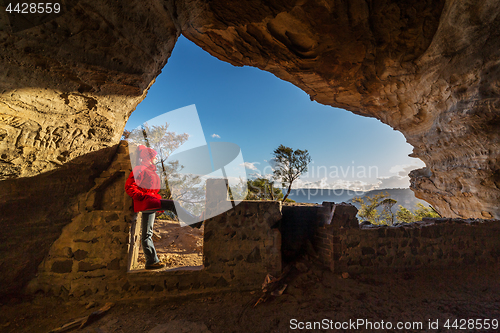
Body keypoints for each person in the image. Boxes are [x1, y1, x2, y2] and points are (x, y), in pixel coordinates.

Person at [125, 145, 203, 270]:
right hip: (147, 201)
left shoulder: (150, 170)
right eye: (154, 157)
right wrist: (143, 197)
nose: (156, 159)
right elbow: (129, 186)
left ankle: (151, 261)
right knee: (173, 204)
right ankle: (194, 221)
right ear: (148, 157)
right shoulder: (140, 169)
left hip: (150, 201)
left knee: (146, 234)